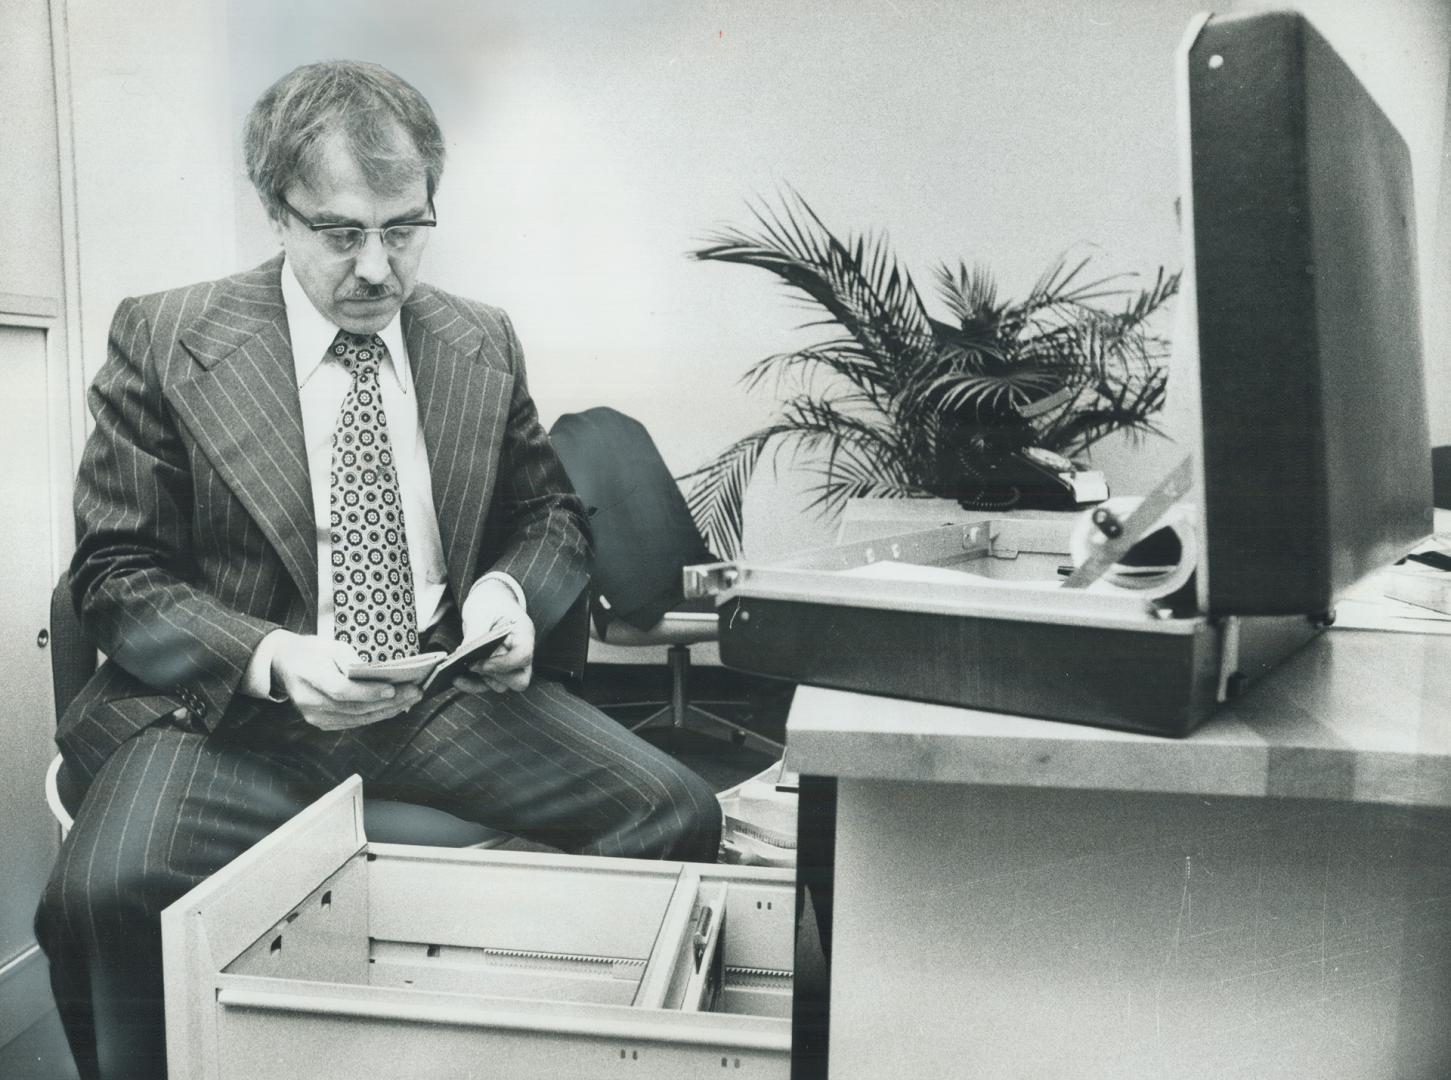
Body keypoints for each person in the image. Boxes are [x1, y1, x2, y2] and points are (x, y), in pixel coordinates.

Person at [35, 60, 721, 1080]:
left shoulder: (477, 340)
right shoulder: (167, 337)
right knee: (99, 896)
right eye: (341, 232)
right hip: (234, 717)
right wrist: (269, 653)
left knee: (676, 813)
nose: (377, 268)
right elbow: (116, 572)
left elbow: (546, 515)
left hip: (437, 692)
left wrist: (506, 595)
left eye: (403, 228)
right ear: (275, 210)